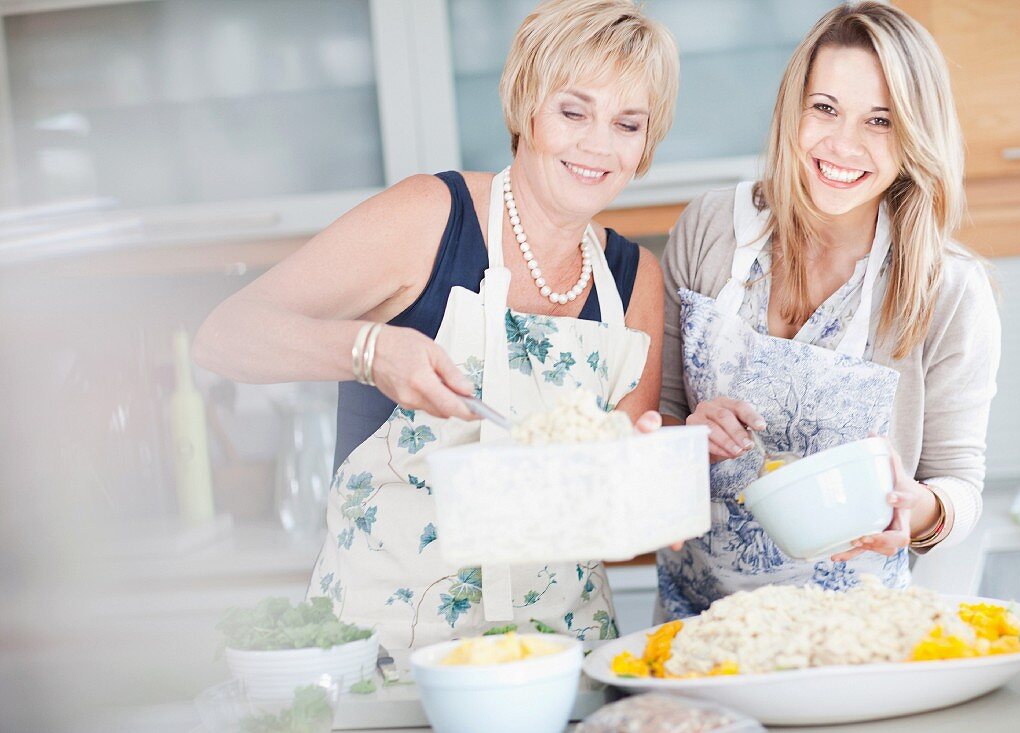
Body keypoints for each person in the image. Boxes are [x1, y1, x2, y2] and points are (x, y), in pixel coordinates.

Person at [194, 0, 678, 649]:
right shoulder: (431, 217)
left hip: (561, 654)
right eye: (573, 110)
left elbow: (612, 508)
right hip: (386, 655)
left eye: (627, 123)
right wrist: (372, 350)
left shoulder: (635, 278)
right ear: (527, 106)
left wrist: (651, 468)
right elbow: (225, 335)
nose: (598, 144)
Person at [656, 1, 999, 619]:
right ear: (793, 108)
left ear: (917, 133)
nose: (844, 143)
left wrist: (916, 506)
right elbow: (655, 417)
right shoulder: (710, 227)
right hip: (697, 632)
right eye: (825, 108)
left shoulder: (948, 288)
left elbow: (960, 484)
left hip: (856, 635)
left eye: (880, 120)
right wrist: (687, 438)